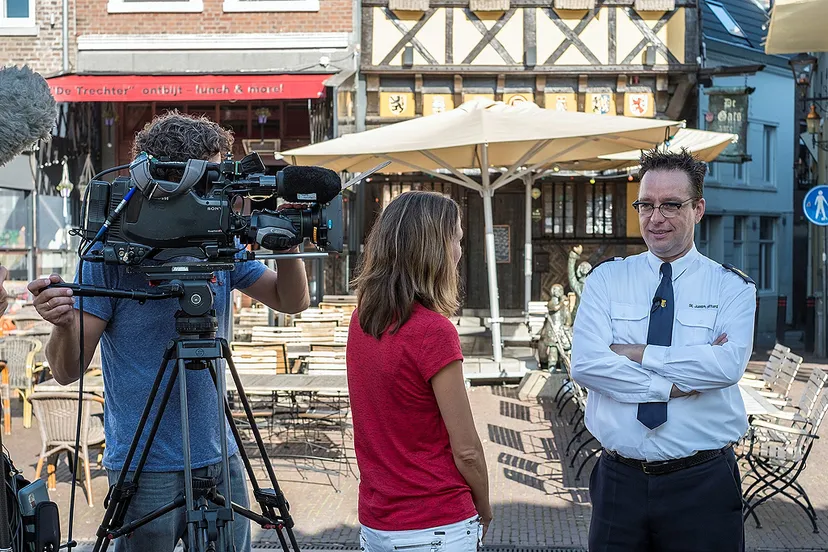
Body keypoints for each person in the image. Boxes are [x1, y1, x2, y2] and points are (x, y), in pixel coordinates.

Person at [27, 112, 311, 552]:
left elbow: (290, 301)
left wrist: (288, 245)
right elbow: (66, 372)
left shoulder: (220, 240)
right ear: (174, 181)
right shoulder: (111, 250)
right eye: (213, 179)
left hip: (220, 456)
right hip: (145, 465)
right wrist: (62, 324)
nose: (223, 193)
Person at [571, 148, 756, 552]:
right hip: (619, 483)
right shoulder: (606, 280)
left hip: (702, 484)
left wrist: (637, 352)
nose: (656, 218)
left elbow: (725, 367)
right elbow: (586, 364)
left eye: (671, 204)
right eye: (646, 205)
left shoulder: (732, 288)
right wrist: (670, 387)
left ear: (698, 209)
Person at [347, 191, 492, 552]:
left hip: (377, 521)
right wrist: (485, 507)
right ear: (435, 250)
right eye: (457, 239)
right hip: (436, 522)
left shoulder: (361, 321)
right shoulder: (433, 332)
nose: (460, 251)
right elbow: (467, 449)